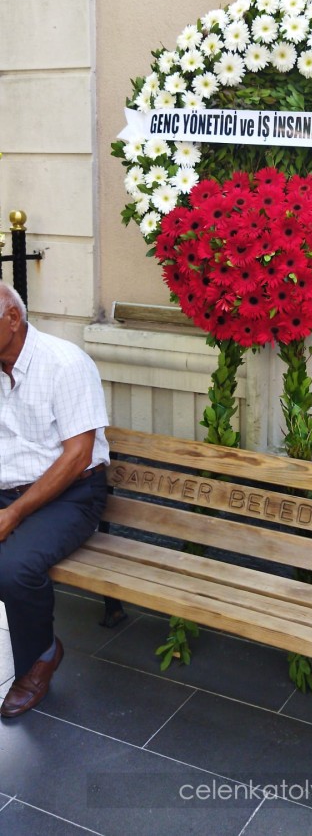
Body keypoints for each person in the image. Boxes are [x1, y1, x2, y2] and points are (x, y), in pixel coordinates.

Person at [0, 283, 109, 718]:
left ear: (12, 319)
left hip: (71, 493)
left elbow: (79, 455)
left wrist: (13, 513)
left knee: (13, 566)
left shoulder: (65, 363)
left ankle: (39, 657)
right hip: (9, 488)